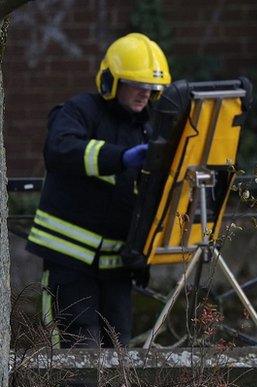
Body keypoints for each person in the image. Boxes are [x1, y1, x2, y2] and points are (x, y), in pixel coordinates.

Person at [27, 33, 170, 348]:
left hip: (116, 269)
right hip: (70, 263)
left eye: (151, 88)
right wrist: (118, 158)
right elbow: (60, 150)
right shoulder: (80, 111)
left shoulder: (147, 129)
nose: (144, 94)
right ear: (110, 81)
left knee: (118, 359)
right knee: (76, 357)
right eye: (136, 84)